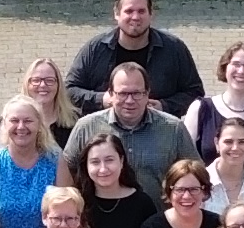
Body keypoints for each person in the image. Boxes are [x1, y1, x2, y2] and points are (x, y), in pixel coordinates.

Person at [65, 62, 193, 202]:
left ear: (147, 94)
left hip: (158, 213)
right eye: (123, 93)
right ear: (110, 94)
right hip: (97, 213)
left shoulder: (173, 129)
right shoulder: (86, 127)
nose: (129, 100)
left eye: (136, 93)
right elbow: (66, 172)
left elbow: (193, 173)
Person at [68, 0, 204, 112]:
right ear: (116, 13)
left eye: (141, 11)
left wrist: (164, 106)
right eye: (129, 11)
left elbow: (195, 93)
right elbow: (69, 90)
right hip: (104, 127)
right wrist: (101, 99)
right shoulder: (95, 49)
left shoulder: (174, 49)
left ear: (151, 14)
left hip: (159, 127)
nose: (135, 17)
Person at [0, 96, 66, 228]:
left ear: (39, 125)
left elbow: (67, 216)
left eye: (28, 121)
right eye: (14, 120)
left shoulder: (56, 162)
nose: (21, 126)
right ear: (4, 124)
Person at [186, 38, 244, 167]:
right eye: (236, 64)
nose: (241, 71)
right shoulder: (200, 109)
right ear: (225, 68)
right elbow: (186, 163)